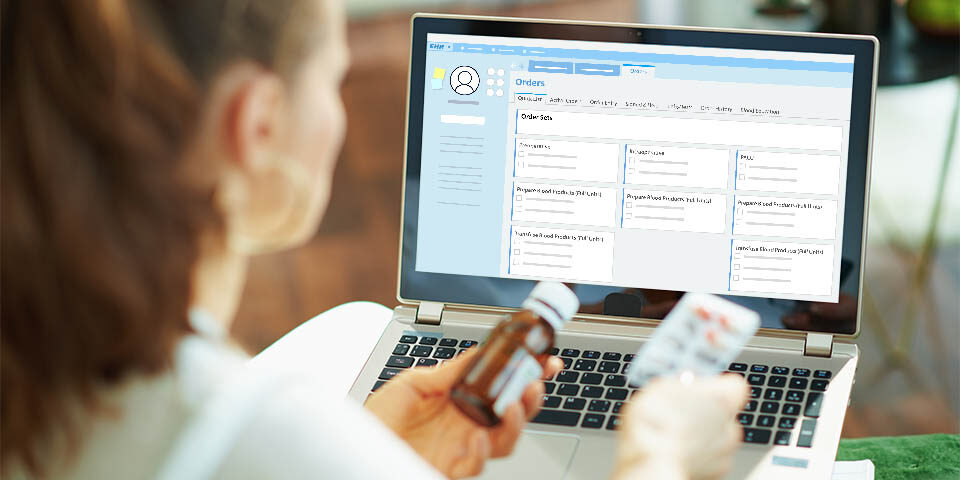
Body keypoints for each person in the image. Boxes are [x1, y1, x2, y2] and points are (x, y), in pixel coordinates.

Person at [0, 1, 749, 479]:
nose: (338, 110)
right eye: (333, 78)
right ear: (255, 124)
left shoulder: (46, 359)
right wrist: (661, 458)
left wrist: (368, 452)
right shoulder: (251, 429)